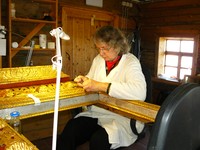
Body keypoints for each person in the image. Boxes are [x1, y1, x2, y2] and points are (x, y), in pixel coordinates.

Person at [57, 25, 146, 150]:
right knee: (71, 129)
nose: (101, 53)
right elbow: (91, 78)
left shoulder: (131, 62)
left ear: (117, 46)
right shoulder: (98, 60)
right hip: (98, 112)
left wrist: (99, 86)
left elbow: (140, 92)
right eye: (99, 48)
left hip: (121, 118)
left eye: (105, 49)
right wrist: (84, 80)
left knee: (99, 141)